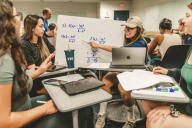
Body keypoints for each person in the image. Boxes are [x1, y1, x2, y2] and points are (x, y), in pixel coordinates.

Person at [0, 1, 94, 128]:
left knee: (77, 102)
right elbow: (4, 122)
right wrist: (45, 109)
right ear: (7, 22)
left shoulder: (10, 51)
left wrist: (39, 70)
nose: (19, 19)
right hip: (22, 117)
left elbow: (18, 77)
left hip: (26, 105)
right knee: (83, 110)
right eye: (17, 15)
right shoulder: (5, 59)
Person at [88, 16, 147, 128]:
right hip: (122, 70)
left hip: (135, 73)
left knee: (123, 88)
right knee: (105, 82)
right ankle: (102, 113)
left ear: (138, 29)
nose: (126, 30)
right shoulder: (129, 41)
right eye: (126, 28)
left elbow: (120, 51)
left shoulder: (140, 43)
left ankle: (131, 119)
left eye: (131, 28)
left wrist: (99, 45)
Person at [142, 2, 192, 128]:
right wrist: (168, 71)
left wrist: (173, 107)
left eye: (187, 16)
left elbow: (149, 51)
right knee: (147, 101)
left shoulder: (159, 36)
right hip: (186, 99)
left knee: (153, 121)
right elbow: (187, 71)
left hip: (188, 104)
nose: (182, 21)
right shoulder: (186, 43)